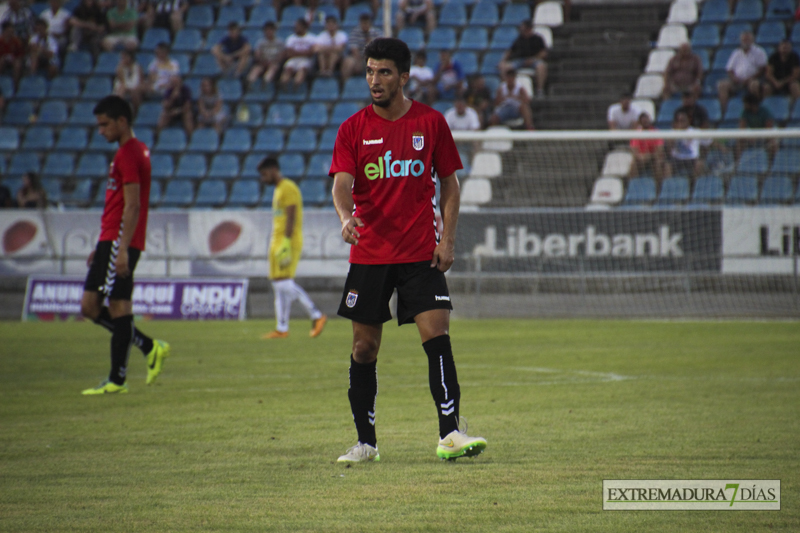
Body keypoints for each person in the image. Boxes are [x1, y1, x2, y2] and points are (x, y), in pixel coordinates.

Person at [329, 37, 487, 463]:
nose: (374, 80)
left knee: (437, 337)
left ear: (403, 76)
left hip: (420, 254)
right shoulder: (352, 129)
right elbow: (341, 185)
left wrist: (448, 239)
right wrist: (346, 218)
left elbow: (450, 183)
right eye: (369, 71)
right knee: (364, 349)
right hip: (369, 255)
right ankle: (366, 443)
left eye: (383, 72)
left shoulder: (431, 123)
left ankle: (450, 433)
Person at [80, 96, 169, 395]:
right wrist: (103, 243)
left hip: (120, 240)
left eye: (105, 124)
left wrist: (120, 249)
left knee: (118, 306)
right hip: (112, 239)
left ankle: (117, 379)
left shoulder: (129, 154)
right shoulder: (131, 152)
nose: (101, 131)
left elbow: (132, 206)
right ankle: (149, 346)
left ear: (121, 121)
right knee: (91, 307)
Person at [257, 157, 327, 340]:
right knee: (277, 285)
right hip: (277, 241)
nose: (263, 179)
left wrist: (286, 243)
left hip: (287, 241)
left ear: (273, 170)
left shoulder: (288, 187)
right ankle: (281, 328)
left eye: (264, 174)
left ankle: (316, 315)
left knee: (283, 283)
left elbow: (291, 216)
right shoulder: (279, 189)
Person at [717, 31, 767, 113]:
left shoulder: (759, 52)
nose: (745, 41)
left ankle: (755, 110)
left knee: (754, 85)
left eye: (747, 39)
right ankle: (724, 112)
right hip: (737, 81)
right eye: (744, 39)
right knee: (722, 85)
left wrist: (750, 79)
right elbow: (729, 69)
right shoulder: (736, 53)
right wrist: (734, 78)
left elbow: (762, 68)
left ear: (752, 40)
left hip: (752, 79)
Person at [498, 20, 547, 98]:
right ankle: (507, 90)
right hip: (520, 60)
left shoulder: (538, 39)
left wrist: (533, 59)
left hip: (533, 60)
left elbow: (543, 53)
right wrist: (503, 61)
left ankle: (539, 90)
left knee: (541, 67)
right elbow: (510, 51)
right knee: (505, 68)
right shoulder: (519, 39)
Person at [664, 111, 709, 178]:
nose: (680, 123)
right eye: (678, 121)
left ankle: (695, 186)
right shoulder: (672, 132)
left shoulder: (695, 131)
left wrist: (722, 148)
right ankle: (669, 186)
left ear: (688, 120)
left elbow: (710, 141)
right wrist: (676, 133)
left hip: (692, 159)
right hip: (677, 159)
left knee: (699, 164)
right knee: (667, 166)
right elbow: (668, 149)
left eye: (682, 120)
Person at [340, 12, 382, 79]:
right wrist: (358, 61)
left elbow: (381, 49)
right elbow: (354, 49)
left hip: (373, 57)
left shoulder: (377, 33)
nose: (365, 25)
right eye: (363, 23)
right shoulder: (355, 32)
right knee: (348, 62)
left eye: (366, 23)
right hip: (359, 57)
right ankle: (345, 85)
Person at [737, 92, 778, 159]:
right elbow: (742, 128)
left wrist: (757, 136)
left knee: (772, 143)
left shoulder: (765, 111)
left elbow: (769, 129)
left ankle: (771, 166)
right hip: (753, 134)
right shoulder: (744, 112)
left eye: (745, 103)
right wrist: (749, 136)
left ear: (751, 103)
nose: (743, 105)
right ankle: (738, 166)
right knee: (739, 143)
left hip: (766, 134)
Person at [279, 18, 316, 90]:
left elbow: (311, 53)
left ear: (304, 27)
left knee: (302, 68)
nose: (296, 28)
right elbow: (289, 53)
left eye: (298, 26)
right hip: (293, 59)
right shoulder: (291, 38)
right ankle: (283, 85)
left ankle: (296, 86)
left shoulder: (312, 38)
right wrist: (304, 52)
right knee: (288, 68)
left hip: (306, 60)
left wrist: (296, 52)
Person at [628, 112, 665, 181]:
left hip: (653, 158)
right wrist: (640, 157)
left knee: (658, 163)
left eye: (647, 120)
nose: (645, 122)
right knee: (633, 165)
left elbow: (659, 150)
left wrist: (649, 156)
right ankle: (634, 187)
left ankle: (657, 188)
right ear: (640, 122)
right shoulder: (637, 133)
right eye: (643, 121)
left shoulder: (656, 132)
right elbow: (634, 150)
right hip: (641, 159)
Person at [247, 21, 284, 86]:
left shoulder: (279, 43)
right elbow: (257, 55)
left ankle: (266, 84)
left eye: (270, 30)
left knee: (272, 69)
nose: (268, 32)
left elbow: (281, 56)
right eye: (266, 30)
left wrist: (273, 62)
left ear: (274, 31)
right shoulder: (261, 43)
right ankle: (250, 86)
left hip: (274, 63)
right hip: (262, 63)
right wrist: (263, 61)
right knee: (255, 70)